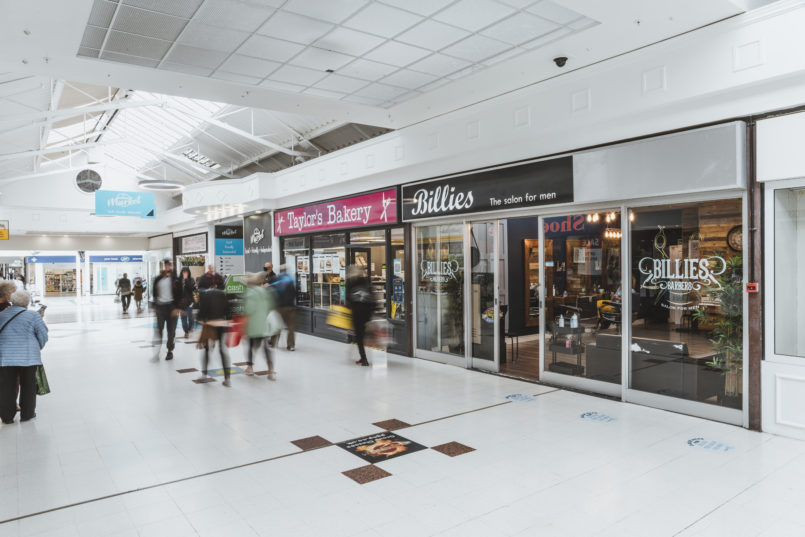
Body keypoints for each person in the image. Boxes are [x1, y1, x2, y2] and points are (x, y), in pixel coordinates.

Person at [0, 290, 48, 424]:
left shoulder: (1, 315)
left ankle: (7, 417)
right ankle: (27, 414)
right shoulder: (33, 316)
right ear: (27, 303)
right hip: (28, 357)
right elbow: (43, 335)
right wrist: (36, 347)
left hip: (5, 358)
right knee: (28, 386)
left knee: (6, 387)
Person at [196, 276, 231, 386]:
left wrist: (199, 319)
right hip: (221, 324)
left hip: (210, 325)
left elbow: (203, 311)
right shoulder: (222, 294)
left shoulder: (205, 294)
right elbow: (228, 311)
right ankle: (227, 379)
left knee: (206, 349)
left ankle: (204, 375)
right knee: (222, 350)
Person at [244, 272, 277, 380]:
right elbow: (270, 306)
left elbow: (249, 309)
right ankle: (271, 369)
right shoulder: (265, 292)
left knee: (250, 346)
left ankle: (250, 367)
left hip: (253, 325)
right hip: (263, 323)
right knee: (266, 347)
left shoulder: (250, 293)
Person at [345, 265, 376, 367]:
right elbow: (373, 298)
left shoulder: (350, 283)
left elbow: (348, 299)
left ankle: (364, 359)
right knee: (363, 335)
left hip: (357, 314)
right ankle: (363, 357)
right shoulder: (366, 282)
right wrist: (372, 312)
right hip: (367, 314)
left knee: (359, 337)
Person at [152, 260, 182, 361]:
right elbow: (154, 293)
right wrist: (155, 307)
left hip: (172, 307)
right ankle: (157, 351)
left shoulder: (175, 279)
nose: (167, 267)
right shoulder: (158, 279)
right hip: (160, 307)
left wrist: (178, 307)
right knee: (159, 330)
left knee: (171, 331)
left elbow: (180, 294)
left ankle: (169, 351)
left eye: (168, 265)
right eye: (165, 266)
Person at [269, 265, 297, 351]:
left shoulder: (275, 279)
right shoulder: (291, 280)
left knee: (277, 326)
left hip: (279, 307)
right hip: (290, 307)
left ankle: (273, 343)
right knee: (291, 327)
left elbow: (271, 293)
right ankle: (291, 345)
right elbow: (295, 292)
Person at [179, 267, 197, 338]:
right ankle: (186, 332)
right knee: (183, 319)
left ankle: (189, 329)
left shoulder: (191, 279)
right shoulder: (179, 280)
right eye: (184, 272)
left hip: (189, 302)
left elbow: (191, 288)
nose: (185, 273)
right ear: (181, 272)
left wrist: (186, 279)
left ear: (188, 273)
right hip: (181, 303)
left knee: (191, 318)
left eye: (186, 272)